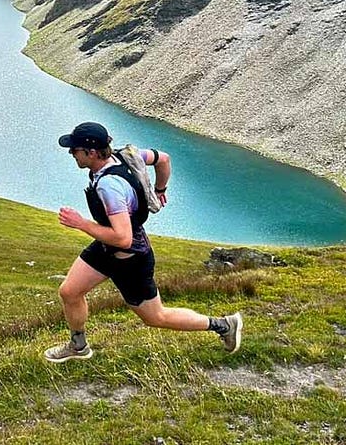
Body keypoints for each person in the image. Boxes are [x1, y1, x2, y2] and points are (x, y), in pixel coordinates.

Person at [44, 121, 243, 362]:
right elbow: (164, 159)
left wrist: (80, 223)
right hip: (108, 249)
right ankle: (78, 346)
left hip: (130, 260)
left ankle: (224, 325)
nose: (71, 153)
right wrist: (160, 190)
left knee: (156, 317)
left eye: (74, 149)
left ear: (92, 153)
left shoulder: (110, 186)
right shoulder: (127, 156)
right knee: (69, 291)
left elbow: (123, 238)